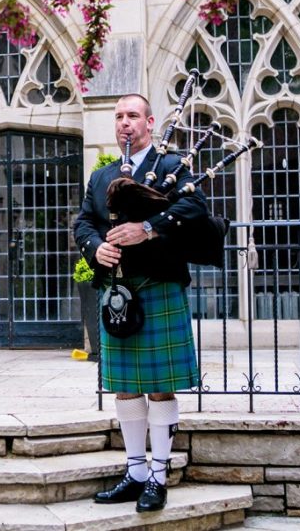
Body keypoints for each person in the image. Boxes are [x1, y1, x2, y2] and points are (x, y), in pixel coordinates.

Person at [73, 93, 206, 512]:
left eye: (132, 115)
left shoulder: (170, 165)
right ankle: (134, 472)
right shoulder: (103, 176)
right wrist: (95, 247)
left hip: (158, 285)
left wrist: (147, 228)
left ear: (150, 122)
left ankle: (158, 477)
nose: (124, 123)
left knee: (159, 388)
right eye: (119, 116)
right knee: (126, 389)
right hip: (119, 291)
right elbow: (84, 222)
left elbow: (195, 207)